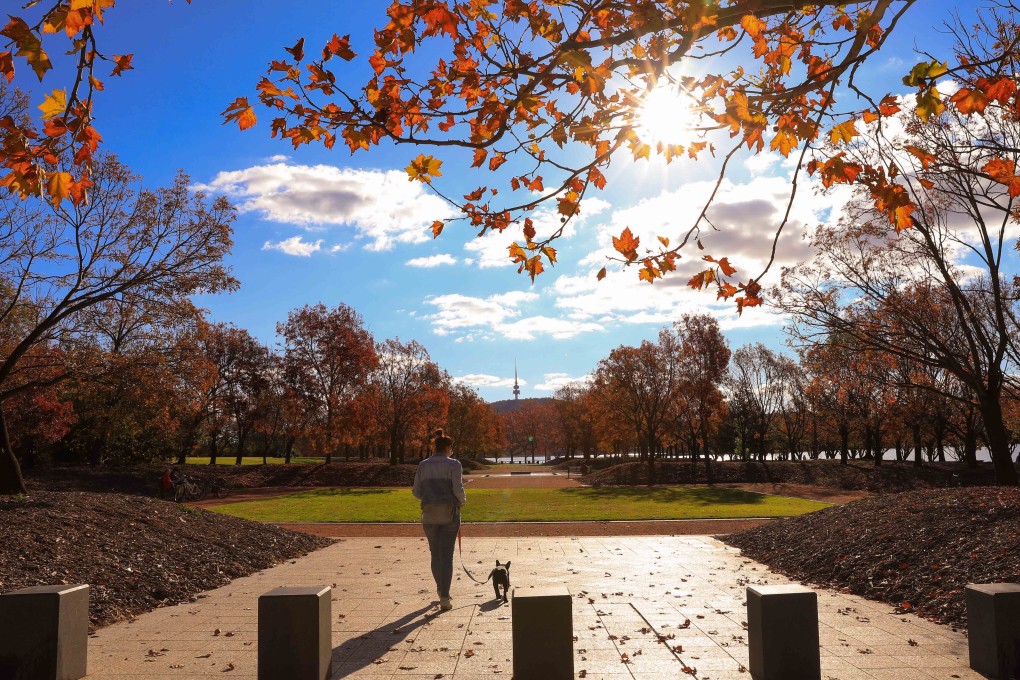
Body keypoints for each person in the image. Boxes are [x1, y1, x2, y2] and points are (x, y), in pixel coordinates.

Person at [412, 428, 466, 611]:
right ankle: (445, 595)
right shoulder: (454, 464)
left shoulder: (423, 465)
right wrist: (462, 501)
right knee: (447, 556)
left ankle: (440, 589)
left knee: (435, 554)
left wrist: (430, 497)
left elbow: (416, 492)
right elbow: (458, 489)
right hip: (449, 513)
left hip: (429, 514)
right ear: (448, 447)